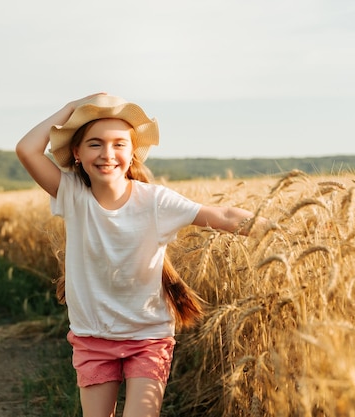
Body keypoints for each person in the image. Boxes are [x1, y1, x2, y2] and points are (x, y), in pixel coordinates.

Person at [16, 93, 260, 417]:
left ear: (132, 154)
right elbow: (26, 149)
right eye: (94, 144)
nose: (107, 154)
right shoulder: (72, 194)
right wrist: (71, 109)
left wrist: (285, 231)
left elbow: (224, 215)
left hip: (148, 338)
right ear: (76, 152)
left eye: (119, 144)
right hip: (93, 338)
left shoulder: (155, 201)